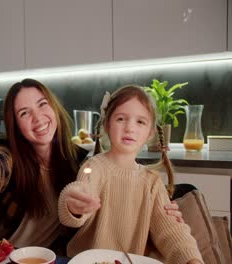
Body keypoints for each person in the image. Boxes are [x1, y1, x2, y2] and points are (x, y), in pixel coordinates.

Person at [0, 79, 183, 255]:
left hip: (48, 257)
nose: (38, 117)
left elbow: (121, 200)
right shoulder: (9, 152)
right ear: (15, 125)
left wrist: (161, 211)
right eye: (24, 113)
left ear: (53, 107)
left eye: (42, 104)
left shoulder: (81, 162)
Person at [58, 85, 203, 263]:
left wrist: (190, 259)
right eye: (121, 119)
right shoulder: (94, 167)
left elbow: (170, 230)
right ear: (106, 124)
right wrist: (73, 206)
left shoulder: (152, 182)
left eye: (140, 121)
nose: (129, 128)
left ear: (149, 133)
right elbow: (79, 194)